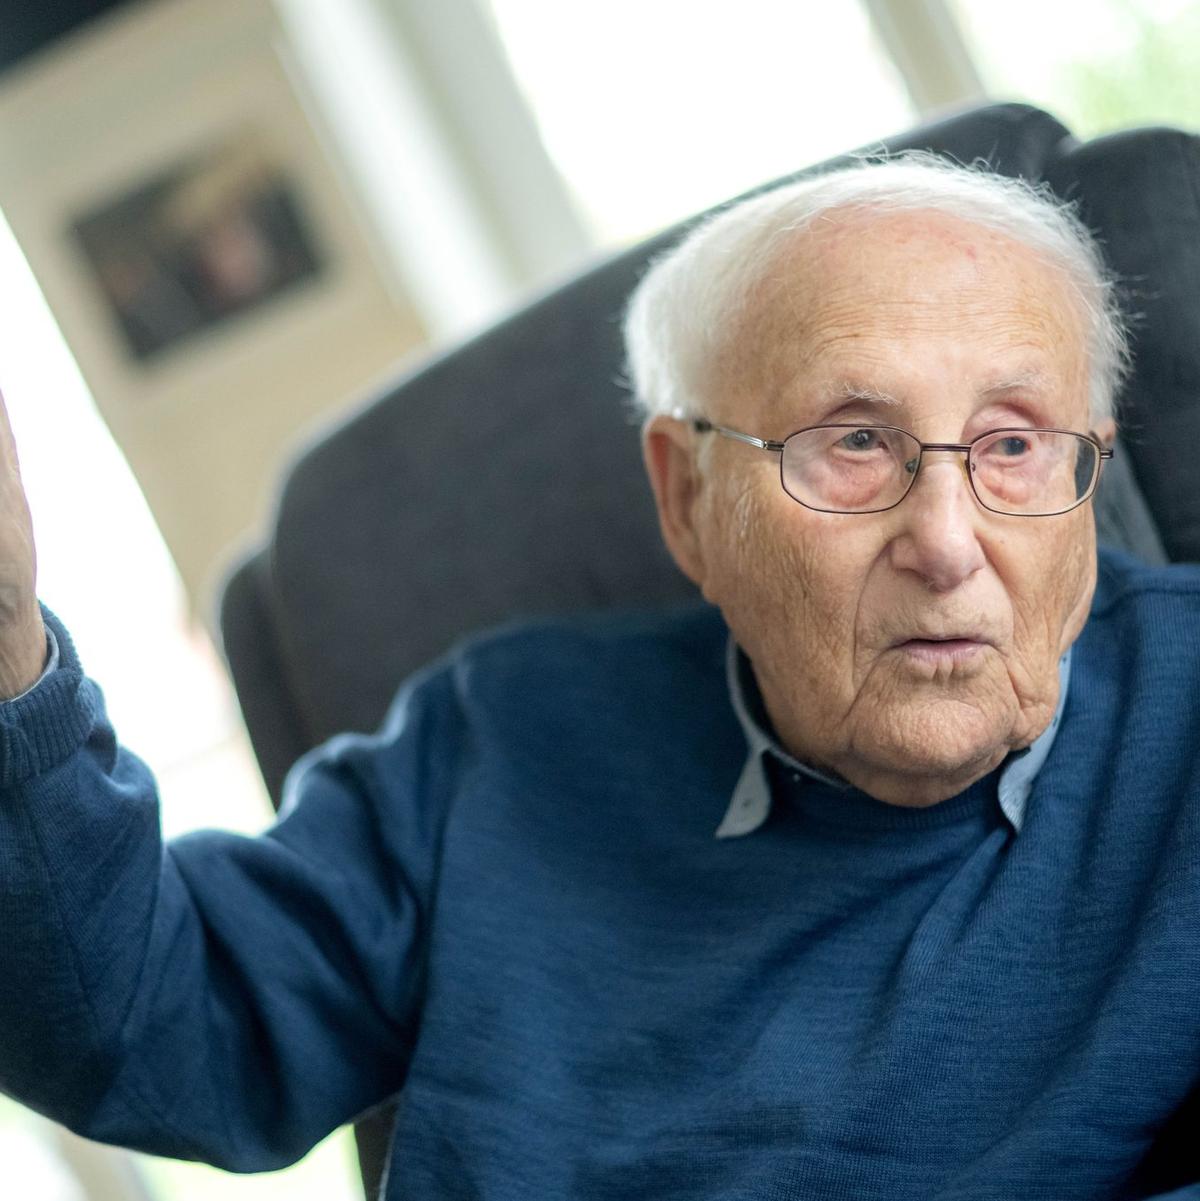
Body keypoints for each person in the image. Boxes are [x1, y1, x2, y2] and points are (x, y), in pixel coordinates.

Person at [2, 154, 1199, 1201]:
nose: (946, 541)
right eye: (853, 441)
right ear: (687, 499)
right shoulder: (501, 739)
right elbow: (145, 1031)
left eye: (1014, 444)